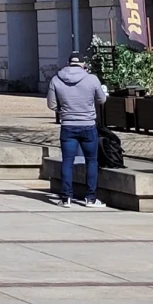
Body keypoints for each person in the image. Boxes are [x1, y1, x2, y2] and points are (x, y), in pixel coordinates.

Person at [48, 54, 109, 208]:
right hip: (88, 125)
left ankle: (66, 198)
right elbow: (101, 100)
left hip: (67, 125)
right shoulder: (92, 79)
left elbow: (51, 104)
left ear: (68, 63)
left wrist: (63, 110)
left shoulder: (56, 79)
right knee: (91, 162)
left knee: (67, 162)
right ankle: (90, 198)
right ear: (83, 64)